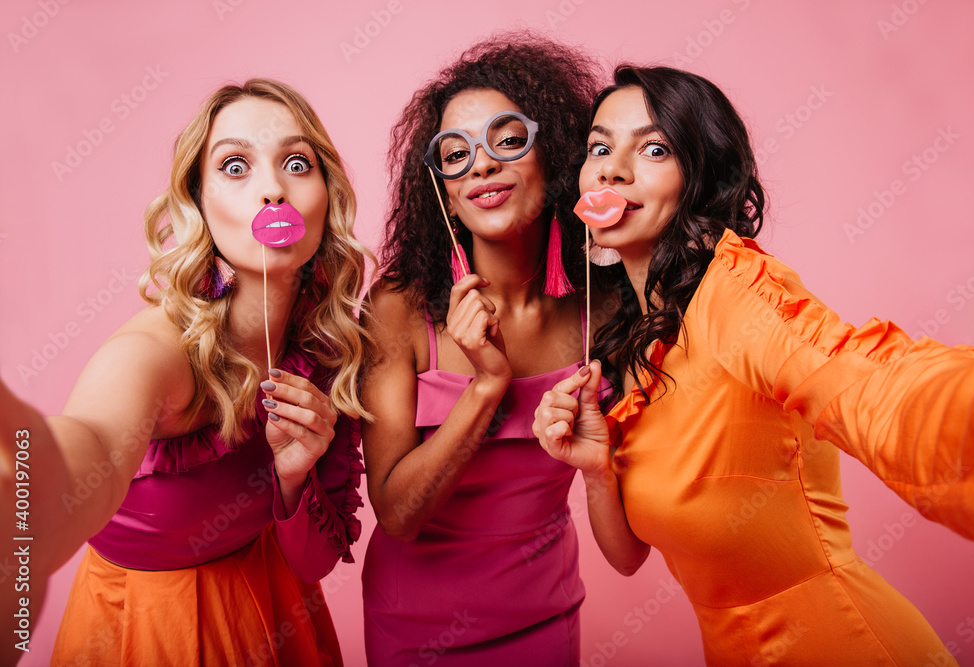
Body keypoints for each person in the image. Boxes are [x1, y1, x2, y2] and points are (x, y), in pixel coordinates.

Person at [532, 65, 974, 666]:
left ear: (698, 178)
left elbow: (856, 378)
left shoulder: (735, 290)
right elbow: (628, 558)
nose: (613, 169)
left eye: (653, 148)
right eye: (600, 147)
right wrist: (596, 468)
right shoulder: (634, 344)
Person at [0, 78, 372, 665]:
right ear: (197, 202)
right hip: (147, 631)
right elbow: (91, 444)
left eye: (296, 163)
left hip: (278, 610)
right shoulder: (156, 350)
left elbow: (315, 562)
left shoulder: (329, 345)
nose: (273, 188)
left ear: (326, 195)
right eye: (235, 166)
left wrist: (297, 474)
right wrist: (26, 500)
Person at [360, 35, 606, 665]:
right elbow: (396, 514)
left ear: (552, 155)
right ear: (441, 191)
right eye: (455, 153)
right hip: (415, 631)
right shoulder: (398, 307)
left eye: (508, 139)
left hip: (545, 617)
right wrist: (487, 386)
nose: (481, 164)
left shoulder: (599, 310)